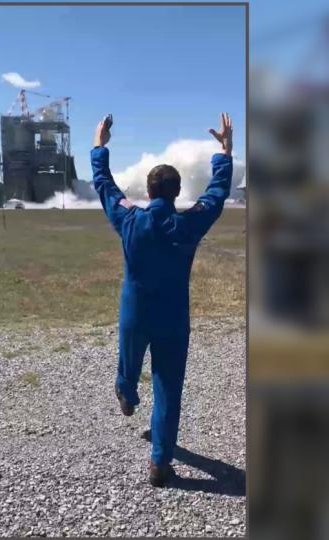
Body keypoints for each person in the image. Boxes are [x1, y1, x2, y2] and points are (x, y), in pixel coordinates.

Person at [90, 112, 234, 487]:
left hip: (135, 313)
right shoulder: (188, 224)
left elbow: (105, 187)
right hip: (173, 317)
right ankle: (159, 463)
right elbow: (216, 196)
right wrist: (224, 153)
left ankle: (125, 390)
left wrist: (99, 146)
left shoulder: (130, 220)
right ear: (176, 191)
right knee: (169, 389)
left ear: (150, 191)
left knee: (129, 364)